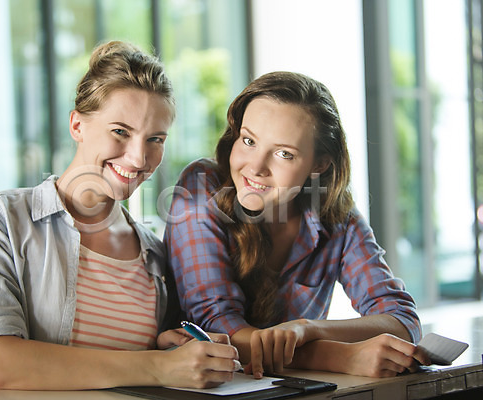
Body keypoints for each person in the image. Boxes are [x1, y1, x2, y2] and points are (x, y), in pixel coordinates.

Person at [0, 40, 240, 391]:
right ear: (77, 125)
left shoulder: (154, 253)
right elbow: (4, 364)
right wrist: (157, 366)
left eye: (155, 139)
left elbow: (131, 366)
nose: (139, 158)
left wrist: (169, 348)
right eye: (120, 131)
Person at [164, 71, 430, 379]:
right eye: (248, 140)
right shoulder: (201, 186)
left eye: (283, 154)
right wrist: (339, 356)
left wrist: (308, 329)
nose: (256, 167)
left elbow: (403, 319)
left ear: (319, 165)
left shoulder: (335, 215)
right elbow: (217, 328)